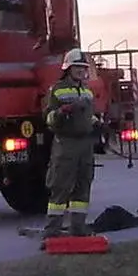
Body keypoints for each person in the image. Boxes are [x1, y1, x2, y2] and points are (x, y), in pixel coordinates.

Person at [42, 48, 99, 244]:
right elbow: (48, 118)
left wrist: (98, 124)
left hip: (85, 144)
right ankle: (52, 232)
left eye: (84, 68)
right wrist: (61, 113)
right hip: (66, 143)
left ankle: (78, 227)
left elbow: (88, 116)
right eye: (77, 68)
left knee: (83, 186)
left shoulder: (87, 92)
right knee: (60, 187)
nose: (81, 71)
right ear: (68, 68)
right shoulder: (57, 89)